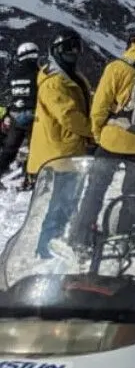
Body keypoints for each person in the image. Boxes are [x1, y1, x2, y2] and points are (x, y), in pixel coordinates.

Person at [79, 14, 135, 231]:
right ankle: (124, 232)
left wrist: (98, 135)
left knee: (96, 188)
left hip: (114, 139)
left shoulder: (117, 68)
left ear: (131, 37)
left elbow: (99, 107)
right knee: (134, 190)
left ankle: (80, 235)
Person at [29, 30, 93, 257]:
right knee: (60, 203)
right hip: (59, 154)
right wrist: (95, 131)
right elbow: (69, 116)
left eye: (77, 47)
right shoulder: (54, 83)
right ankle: (46, 248)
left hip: (71, 150)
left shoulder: (71, 77)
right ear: (56, 51)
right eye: (68, 48)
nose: (74, 52)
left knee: (68, 200)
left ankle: (58, 241)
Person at [0, 41, 40, 177]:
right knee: (35, 149)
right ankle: (30, 176)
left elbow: (12, 94)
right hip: (34, 116)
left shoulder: (13, 74)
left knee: (9, 149)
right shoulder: (38, 72)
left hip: (15, 116)